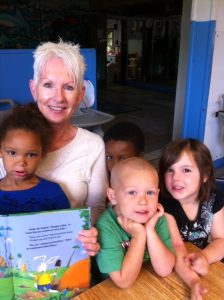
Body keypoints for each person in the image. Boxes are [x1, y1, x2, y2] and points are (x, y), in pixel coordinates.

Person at [0, 40, 106, 255]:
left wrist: (89, 232)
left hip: (68, 255)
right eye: (48, 84)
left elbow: (96, 206)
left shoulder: (93, 145)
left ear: (80, 94)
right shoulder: (7, 142)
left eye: (68, 87)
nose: (58, 97)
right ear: (34, 88)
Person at [159, 138, 224, 297]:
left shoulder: (214, 198)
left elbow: (221, 239)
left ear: (205, 175)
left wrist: (205, 257)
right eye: (170, 170)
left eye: (186, 170)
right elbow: (178, 249)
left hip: (199, 263)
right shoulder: (164, 205)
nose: (176, 178)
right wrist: (194, 282)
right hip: (172, 267)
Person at [96, 157, 175, 288]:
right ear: (113, 196)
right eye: (132, 192)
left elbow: (165, 270)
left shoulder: (156, 218)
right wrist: (138, 236)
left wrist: (150, 230)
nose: (143, 201)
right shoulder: (105, 226)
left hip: (148, 284)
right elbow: (123, 282)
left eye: (150, 192)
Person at [0, 103, 70, 214]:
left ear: (42, 155)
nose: (21, 163)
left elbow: (68, 227)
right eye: (12, 153)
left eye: (31, 155)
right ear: (1, 151)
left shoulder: (53, 193)